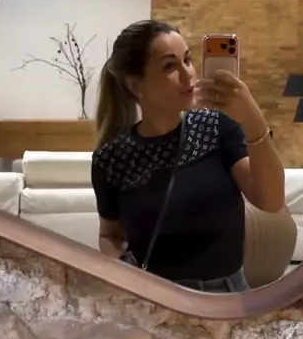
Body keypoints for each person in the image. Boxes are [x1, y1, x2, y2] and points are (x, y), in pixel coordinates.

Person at [91, 19, 285, 292]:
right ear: (136, 85)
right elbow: (109, 235)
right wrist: (123, 272)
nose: (188, 74)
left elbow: (271, 201)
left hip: (225, 295)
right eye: (170, 66)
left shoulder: (216, 127)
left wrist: (253, 121)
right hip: (155, 298)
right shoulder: (112, 158)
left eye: (188, 60)